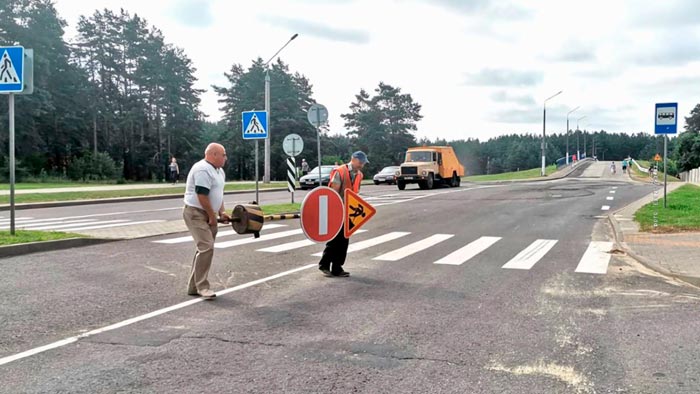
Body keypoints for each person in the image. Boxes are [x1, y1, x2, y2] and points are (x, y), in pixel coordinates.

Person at [182, 143, 231, 299]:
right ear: (213, 154)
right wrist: (212, 216)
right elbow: (201, 195)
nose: (225, 158)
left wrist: (222, 212)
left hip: (208, 212)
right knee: (206, 247)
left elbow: (218, 194)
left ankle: (193, 286)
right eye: (223, 155)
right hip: (195, 213)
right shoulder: (202, 169)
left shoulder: (219, 171)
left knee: (204, 249)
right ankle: (202, 287)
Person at [318, 151, 368, 278]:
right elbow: (333, 192)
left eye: (363, 163)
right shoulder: (340, 171)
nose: (362, 165)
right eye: (360, 162)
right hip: (336, 210)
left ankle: (337, 267)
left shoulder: (359, 175)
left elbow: (356, 194)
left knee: (344, 240)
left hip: (349, 212)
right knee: (334, 239)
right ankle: (324, 264)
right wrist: (334, 210)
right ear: (353, 159)